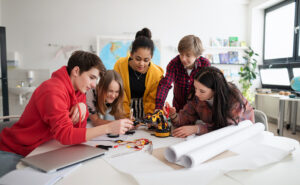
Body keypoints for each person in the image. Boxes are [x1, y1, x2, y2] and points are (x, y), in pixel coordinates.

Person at [0, 51, 133, 177]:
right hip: (14, 150)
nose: (93, 85)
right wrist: (109, 128)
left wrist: (83, 108)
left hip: (42, 150)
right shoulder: (53, 90)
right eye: (91, 78)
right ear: (76, 71)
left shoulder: (79, 90)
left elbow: (78, 130)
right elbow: (65, 135)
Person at [164, 66, 254, 138]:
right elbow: (185, 118)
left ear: (216, 90)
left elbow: (228, 129)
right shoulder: (196, 96)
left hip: (242, 138)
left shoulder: (234, 99)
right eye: (195, 88)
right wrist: (173, 115)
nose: (196, 94)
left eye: (202, 91)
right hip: (213, 140)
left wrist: (197, 129)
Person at [114, 28, 164, 119]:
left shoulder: (156, 74)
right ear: (131, 54)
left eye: (146, 60)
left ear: (151, 57)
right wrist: (126, 117)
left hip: (146, 114)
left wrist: (149, 117)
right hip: (122, 111)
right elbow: (121, 94)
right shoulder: (120, 66)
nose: (141, 64)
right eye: (138, 59)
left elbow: (152, 100)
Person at [155, 35, 211, 112]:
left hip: (199, 110)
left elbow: (208, 89)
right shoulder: (174, 64)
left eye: (188, 55)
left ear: (197, 56)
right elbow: (165, 84)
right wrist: (159, 106)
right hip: (179, 110)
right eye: (181, 54)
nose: (183, 59)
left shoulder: (205, 65)